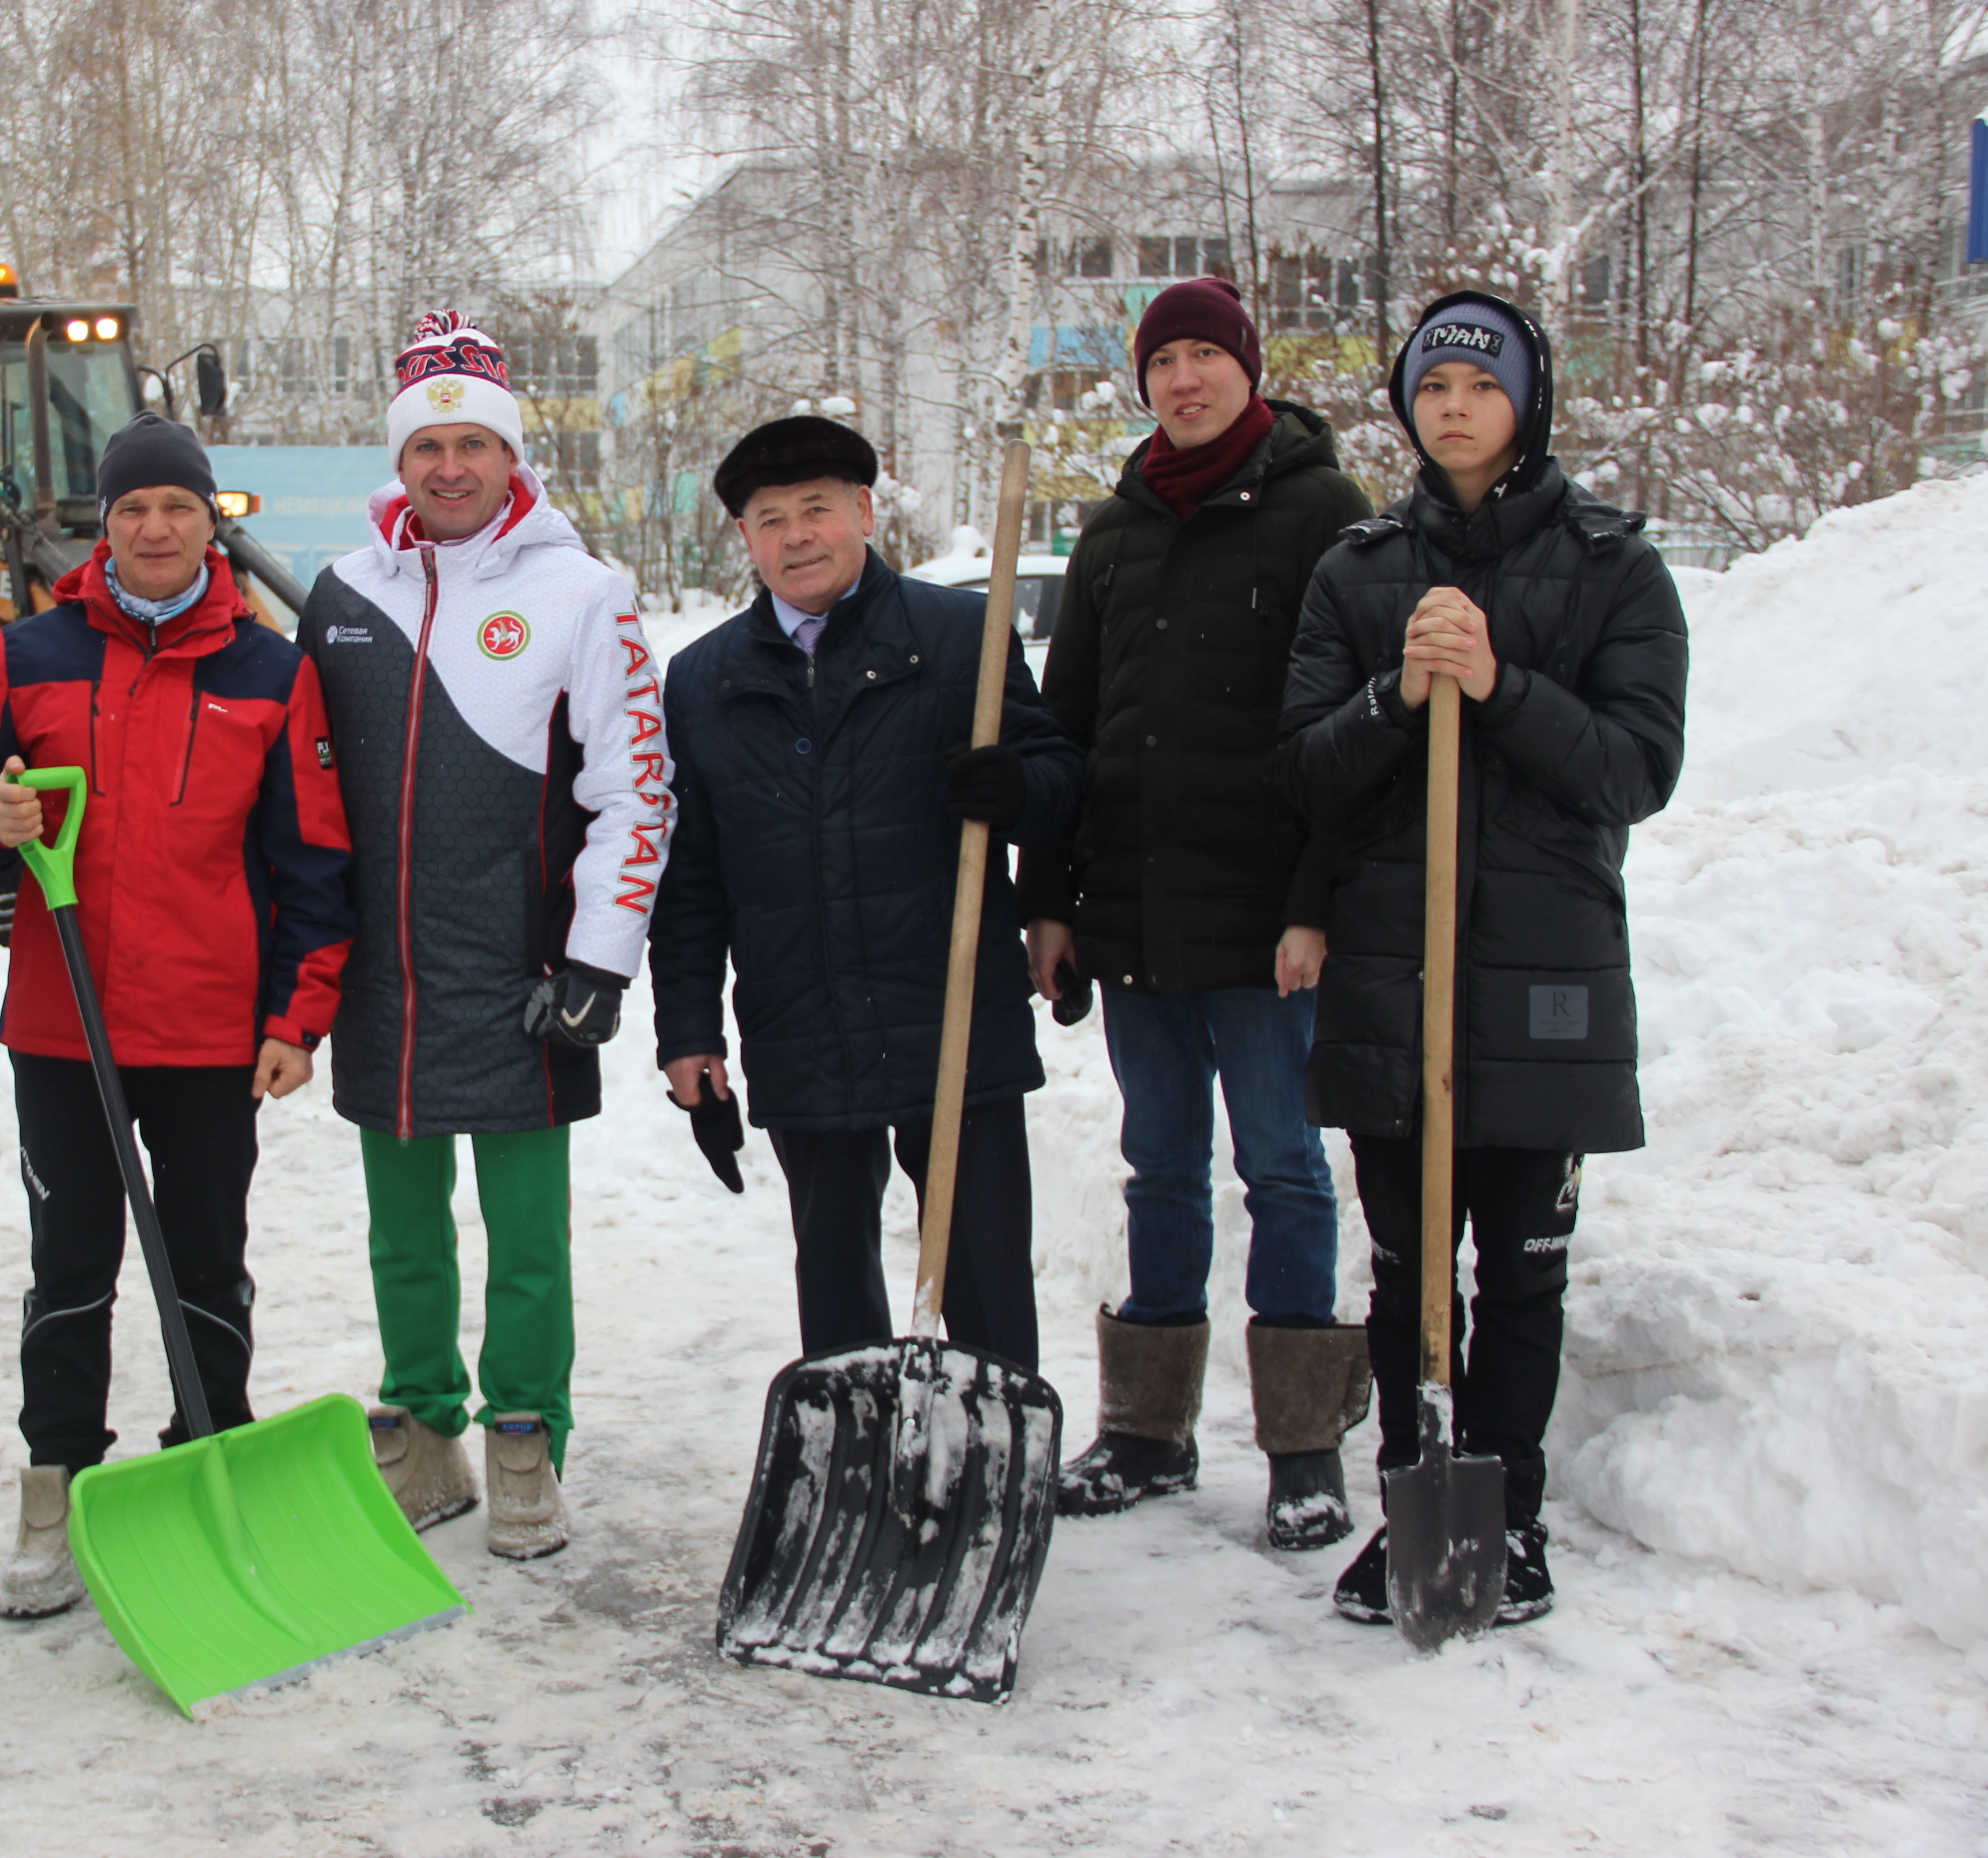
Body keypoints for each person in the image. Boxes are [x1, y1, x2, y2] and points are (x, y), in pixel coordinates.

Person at [1276, 289, 1687, 1627]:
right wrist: (1399, 695)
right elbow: (1303, 772)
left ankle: (1505, 1513)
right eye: (1431, 386)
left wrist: (1499, 684)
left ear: (1525, 399)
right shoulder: (1358, 569)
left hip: (1542, 970)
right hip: (1396, 966)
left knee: (1518, 1262)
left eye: (1480, 384)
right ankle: (1411, 1499)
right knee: (1403, 1264)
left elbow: (1633, 770)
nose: (1451, 406)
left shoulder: (1613, 563)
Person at [0, 411, 352, 1619]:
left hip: (215, 1028)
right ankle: (56, 1486)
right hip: (67, 1025)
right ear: (104, 527)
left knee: (206, 1259)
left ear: (209, 518)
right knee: (69, 1262)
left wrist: (297, 1018)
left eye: (177, 507)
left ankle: (208, 1455)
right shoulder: (37, 652)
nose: (156, 528)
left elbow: (312, 862)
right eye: (132, 510)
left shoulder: (272, 671)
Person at [296, 309, 672, 1560]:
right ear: (396, 464)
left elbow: (636, 793)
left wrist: (599, 959)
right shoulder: (345, 595)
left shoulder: (585, 593)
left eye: (474, 444)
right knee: (403, 1233)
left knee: (525, 1241)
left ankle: (525, 1436)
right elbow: (298, 787)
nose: (449, 468)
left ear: (514, 457)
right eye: (426, 446)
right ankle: (424, 1431)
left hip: (524, 977)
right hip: (385, 981)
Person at [1016, 276, 1380, 1548]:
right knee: (1158, 1168)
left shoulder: (1323, 511)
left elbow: (1350, 733)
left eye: (1204, 357)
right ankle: (1150, 1433)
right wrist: (1049, 903)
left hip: (1266, 921)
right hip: (1137, 917)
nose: (1184, 380)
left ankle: (1302, 1447)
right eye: (1162, 360)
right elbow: (1068, 729)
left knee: (1283, 1166)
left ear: (1249, 368)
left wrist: (1313, 902)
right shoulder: (1114, 534)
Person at [648, 415, 1081, 1376]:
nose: (796, 536)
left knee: (980, 1266)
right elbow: (691, 881)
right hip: (803, 1020)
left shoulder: (957, 636)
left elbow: (1056, 775)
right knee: (833, 1272)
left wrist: (1018, 786)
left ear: (863, 512)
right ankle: (855, 1460)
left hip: (952, 1008)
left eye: (816, 509)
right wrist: (687, 1032)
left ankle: (992, 1454)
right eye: (770, 519)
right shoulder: (703, 680)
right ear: (744, 539)